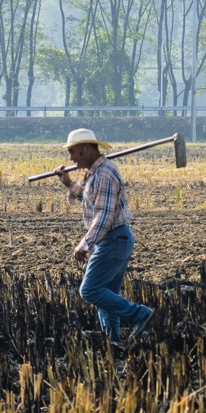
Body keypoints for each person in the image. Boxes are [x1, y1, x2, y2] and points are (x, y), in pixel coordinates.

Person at [54, 128, 153, 346]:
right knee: (105, 297)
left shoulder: (105, 173)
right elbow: (91, 200)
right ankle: (115, 342)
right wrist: (69, 183)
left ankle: (139, 314)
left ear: (86, 149)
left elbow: (104, 216)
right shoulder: (95, 173)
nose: (70, 158)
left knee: (90, 290)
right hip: (114, 240)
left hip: (113, 239)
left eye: (73, 152)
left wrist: (85, 244)